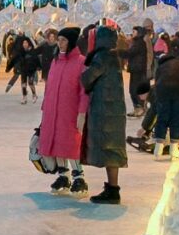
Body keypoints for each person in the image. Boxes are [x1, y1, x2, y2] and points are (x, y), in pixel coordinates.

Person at [37, 27, 89, 197]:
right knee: (56, 142)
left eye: (63, 40)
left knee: (70, 143)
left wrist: (82, 112)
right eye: (58, 39)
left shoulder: (81, 62)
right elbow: (49, 87)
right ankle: (63, 175)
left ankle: (78, 176)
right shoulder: (55, 61)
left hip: (70, 111)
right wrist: (45, 107)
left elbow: (84, 90)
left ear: (72, 42)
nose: (60, 43)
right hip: (53, 111)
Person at [80, 26, 128, 204]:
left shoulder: (102, 56)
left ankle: (113, 191)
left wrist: (84, 74)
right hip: (114, 110)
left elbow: (88, 78)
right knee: (112, 150)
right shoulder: (113, 55)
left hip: (104, 110)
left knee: (109, 149)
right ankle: (112, 188)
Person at [122, 27, 149, 118]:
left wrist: (118, 52)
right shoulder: (137, 42)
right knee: (133, 89)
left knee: (134, 89)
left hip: (138, 69)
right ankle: (137, 108)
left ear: (139, 33)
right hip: (136, 69)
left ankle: (139, 108)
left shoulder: (139, 43)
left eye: (134, 31)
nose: (132, 33)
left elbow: (130, 53)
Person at [17, 39, 40, 104]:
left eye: (26, 43)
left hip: (31, 70)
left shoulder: (33, 51)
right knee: (23, 84)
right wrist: (18, 68)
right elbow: (18, 61)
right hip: (23, 70)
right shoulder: (21, 51)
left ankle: (34, 94)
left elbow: (37, 60)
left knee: (30, 83)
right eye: (23, 43)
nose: (24, 44)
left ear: (29, 43)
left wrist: (38, 67)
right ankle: (24, 97)